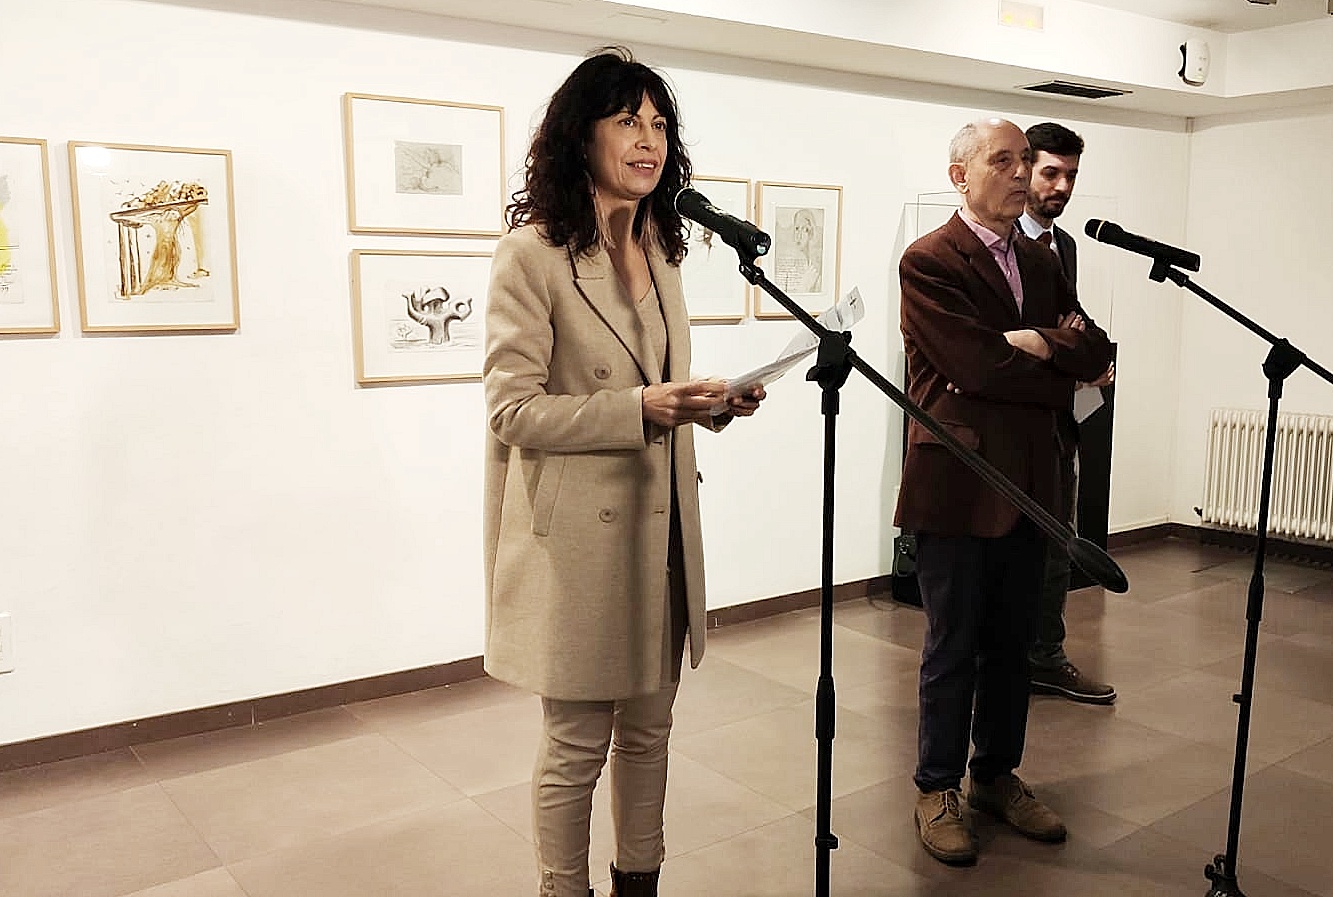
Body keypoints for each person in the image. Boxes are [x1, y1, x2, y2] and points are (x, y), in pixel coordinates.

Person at [482, 48, 764, 897]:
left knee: (649, 731)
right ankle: (562, 888)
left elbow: (655, 386)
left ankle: (639, 880)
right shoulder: (531, 255)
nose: (648, 140)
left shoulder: (661, 248)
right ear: (581, 137)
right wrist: (638, 408)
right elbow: (512, 411)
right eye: (626, 121)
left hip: (660, 528)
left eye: (659, 124)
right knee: (577, 746)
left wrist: (709, 404)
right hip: (577, 542)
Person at [896, 118, 1113, 865]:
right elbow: (973, 366)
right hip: (957, 481)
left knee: (1013, 645)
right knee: (952, 644)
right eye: (1003, 161)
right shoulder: (930, 261)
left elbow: (1095, 348)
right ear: (960, 176)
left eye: (1026, 160)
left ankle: (993, 774)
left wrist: (1042, 342)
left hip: (1032, 482)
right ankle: (935, 787)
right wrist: (1053, 369)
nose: (1021, 175)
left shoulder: (1041, 260)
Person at [1018, 122, 1117, 705]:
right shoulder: (1006, 244)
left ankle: (1045, 656)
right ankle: (1006, 659)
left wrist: (1087, 357)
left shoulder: (1065, 247)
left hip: (1060, 420)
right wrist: (1066, 349)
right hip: (1016, 422)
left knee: (1059, 542)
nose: (1061, 187)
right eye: (1051, 173)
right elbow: (1016, 340)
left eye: (1071, 176)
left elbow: (1074, 323)